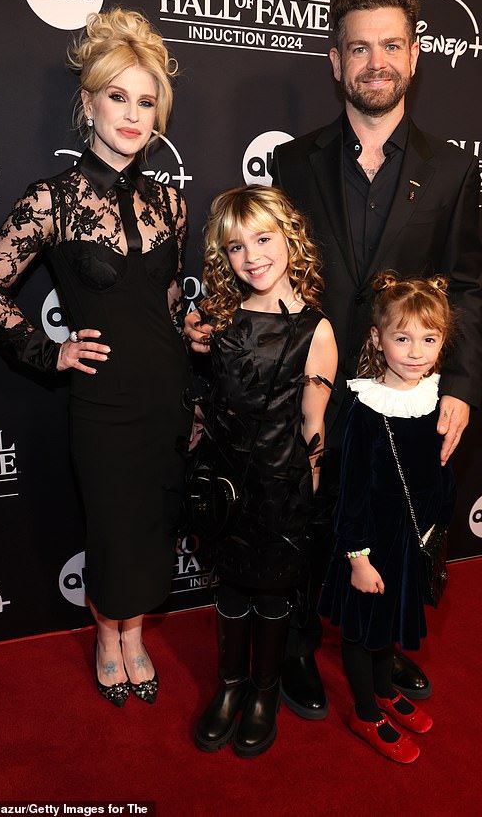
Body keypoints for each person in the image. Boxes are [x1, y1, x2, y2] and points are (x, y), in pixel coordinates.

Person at [188, 0, 482, 714]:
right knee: (304, 521)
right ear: (335, 62)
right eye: (358, 48)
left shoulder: (452, 169)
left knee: (392, 521)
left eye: (389, 45)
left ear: (415, 56)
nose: (374, 61)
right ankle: (292, 650)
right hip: (309, 379)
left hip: (404, 390)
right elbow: (268, 273)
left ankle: (379, 641)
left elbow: (468, 286)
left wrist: (462, 386)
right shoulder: (294, 162)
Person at [0, 8, 190, 707]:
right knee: (113, 525)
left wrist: (196, 330)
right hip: (102, 399)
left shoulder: (173, 203)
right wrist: (48, 349)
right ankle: (109, 635)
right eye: (117, 96)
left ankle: (137, 632)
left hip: (167, 390)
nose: (131, 113)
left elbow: (173, 296)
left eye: (145, 100)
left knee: (153, 523)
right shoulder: (52, 201)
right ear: (88, 100)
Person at [191, 185, 337, 757]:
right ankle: (229, 688)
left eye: (263, 238)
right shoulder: (217, 321)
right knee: (230, 586)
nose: (251, 256)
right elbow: (205, 403)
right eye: (234, 247)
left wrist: (309, 495)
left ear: (290, 239)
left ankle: (263, 692)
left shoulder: (314, 329)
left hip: (281, 485)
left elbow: (313, 422)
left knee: (275, 593)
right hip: (227, 485)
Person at [318, 271, 456, 763]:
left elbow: (438, 473)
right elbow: (351, 492)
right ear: (377, 340)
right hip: (369, 546)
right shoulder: (367, 408)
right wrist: (358, 558)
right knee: (361, 632)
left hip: (408, 543)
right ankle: (364, 712)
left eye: (429, 338)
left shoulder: (436, 396)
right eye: (402, 338)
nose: (416, 351)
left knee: (387, 629)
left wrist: (437, 526)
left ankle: (382, 690)